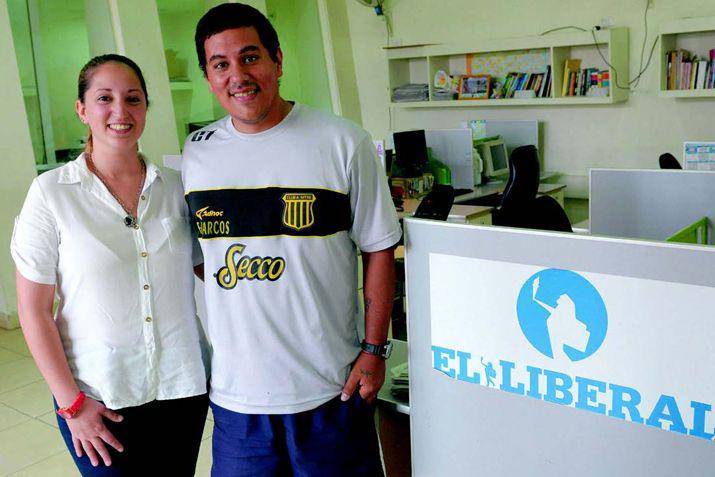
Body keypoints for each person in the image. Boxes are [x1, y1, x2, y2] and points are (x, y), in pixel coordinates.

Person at [182, 3, 402, 475]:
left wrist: (374, 349)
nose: (237, 75)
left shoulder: (345, 142)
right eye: (220, 64)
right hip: (239, 401)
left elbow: (379, 248)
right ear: (208, 76)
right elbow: (205, 259)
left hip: (332, 389)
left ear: (277, 61)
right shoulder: (196, 156)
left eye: (250, 57)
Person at [11, 54, 209, 476]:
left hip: (181, 389)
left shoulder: (177, 188)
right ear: (82, 109)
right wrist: (72, 403)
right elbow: (33, 310)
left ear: (146, 108)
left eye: (133, 99)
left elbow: (211, 271)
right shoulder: (51, 194)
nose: (120, 112)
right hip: (97, 398)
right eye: (105, 98)